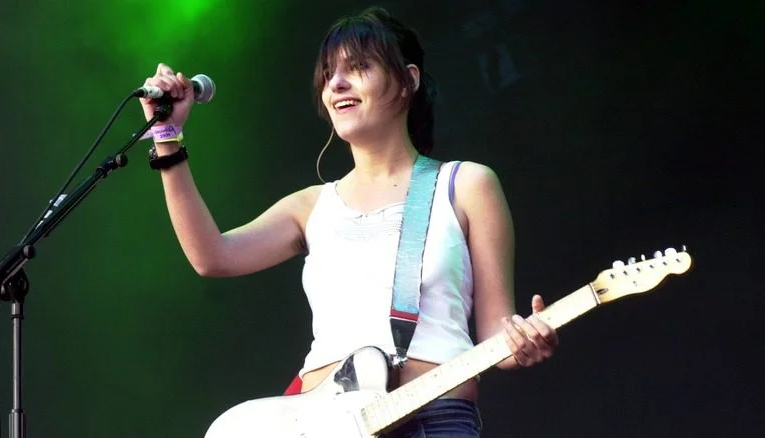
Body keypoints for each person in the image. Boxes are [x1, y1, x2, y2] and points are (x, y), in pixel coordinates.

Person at [139, 6, 558, 437]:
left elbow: (496, 336)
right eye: (328, 73)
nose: (336, 83)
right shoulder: (311, 205)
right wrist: (167, 136)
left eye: (358, 67)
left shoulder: (466, 184)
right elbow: (213, 256)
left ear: (407, 80)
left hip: (435, 421)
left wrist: (524, 343)